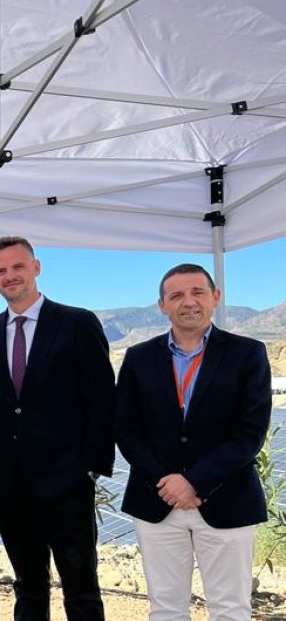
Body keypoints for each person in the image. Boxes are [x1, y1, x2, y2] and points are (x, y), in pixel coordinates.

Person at [116, 263, 271, 620]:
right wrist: (169, 483)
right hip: (157, 501)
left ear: (215, 297)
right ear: (162, 305)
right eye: (177, 295)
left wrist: (194, 481)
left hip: (227, 498)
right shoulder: (138, 358)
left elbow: (250, 432)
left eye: (197, 292)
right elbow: (125, 428)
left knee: (231, 608)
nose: (188, 302)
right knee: (166, 608)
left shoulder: (248, 353)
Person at [0, 236, 115, 621]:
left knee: (81, 584)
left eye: (18, 267)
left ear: (36, 268)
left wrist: (91, 467)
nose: (10, 276)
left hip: (67, 481)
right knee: (28, 585)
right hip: (10, 482)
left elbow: (102, 400)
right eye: (0, 271)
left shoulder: (77, 323)